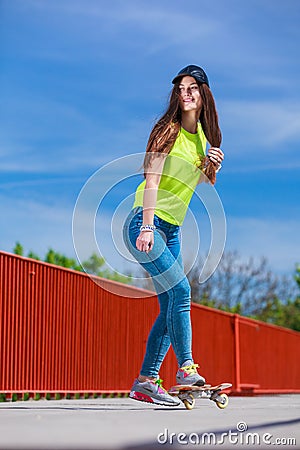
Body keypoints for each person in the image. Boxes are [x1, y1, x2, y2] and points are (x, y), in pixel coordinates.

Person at [123, 65, 224, 406]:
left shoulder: (203, 140)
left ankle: (146, 381)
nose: (185, 92)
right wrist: (148, 226)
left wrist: (213, 167)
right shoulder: (167, 129)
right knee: (181, 290)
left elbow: (201, 183)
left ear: (204, 93)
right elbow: (152, 180)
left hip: (173, 229)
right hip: (145, 222)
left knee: (170, 302)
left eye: (192, 87)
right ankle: (185, 368)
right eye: (181, 87)